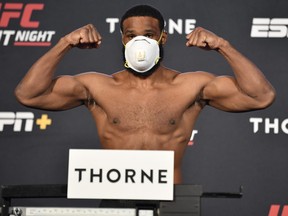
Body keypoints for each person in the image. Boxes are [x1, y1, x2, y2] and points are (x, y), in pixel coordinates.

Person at [15, 5, 275, 184]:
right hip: (115, 197)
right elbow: (29, 94)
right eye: (132, 36)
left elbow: (260, 96)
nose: (141, 43)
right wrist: (65, 43)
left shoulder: (190, 86)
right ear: (123, 40)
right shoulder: (98, 87)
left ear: (162, 38)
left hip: (172, 200)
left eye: (149, 35)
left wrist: (222, 46)